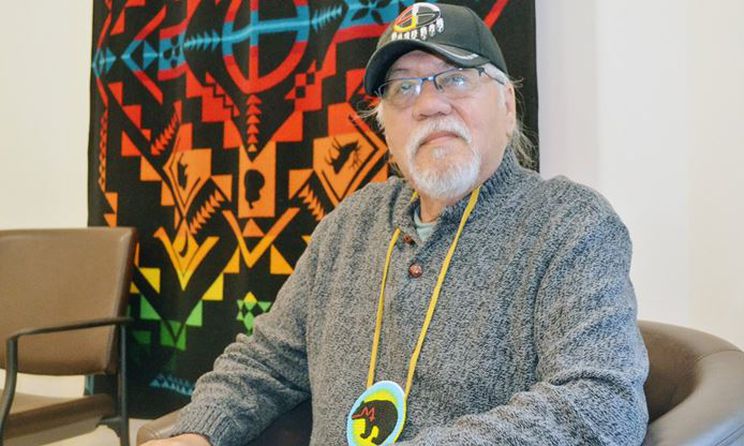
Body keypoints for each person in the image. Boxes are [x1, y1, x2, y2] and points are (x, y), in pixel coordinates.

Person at [144, 3, 649, 445]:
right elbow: (267, 362)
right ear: (385, 127)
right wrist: (197, 430)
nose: (429, 104)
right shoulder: (349, 225)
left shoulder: (572, 223)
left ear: (508, 104)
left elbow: (602, 404)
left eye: (455, 78)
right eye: (404, 88)